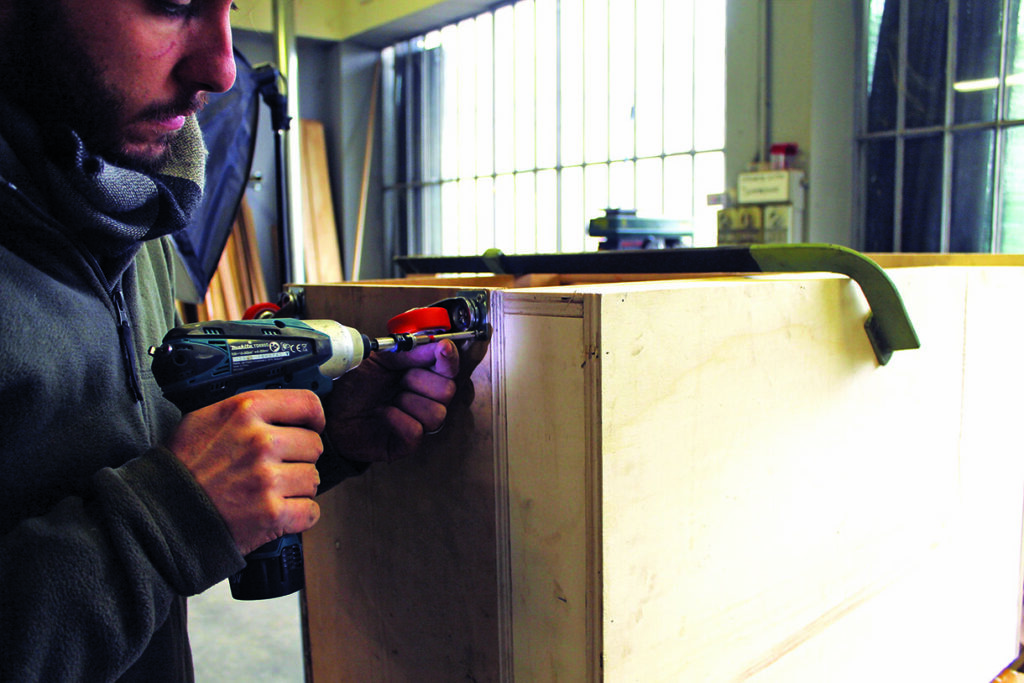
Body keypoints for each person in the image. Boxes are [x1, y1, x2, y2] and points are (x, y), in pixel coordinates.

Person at [0, 0, 460, 680]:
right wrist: (166, 524)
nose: (221, 69)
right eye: (172, 5)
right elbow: (157, 512)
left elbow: (112, 454)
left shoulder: (125, 198)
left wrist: (321, 438)